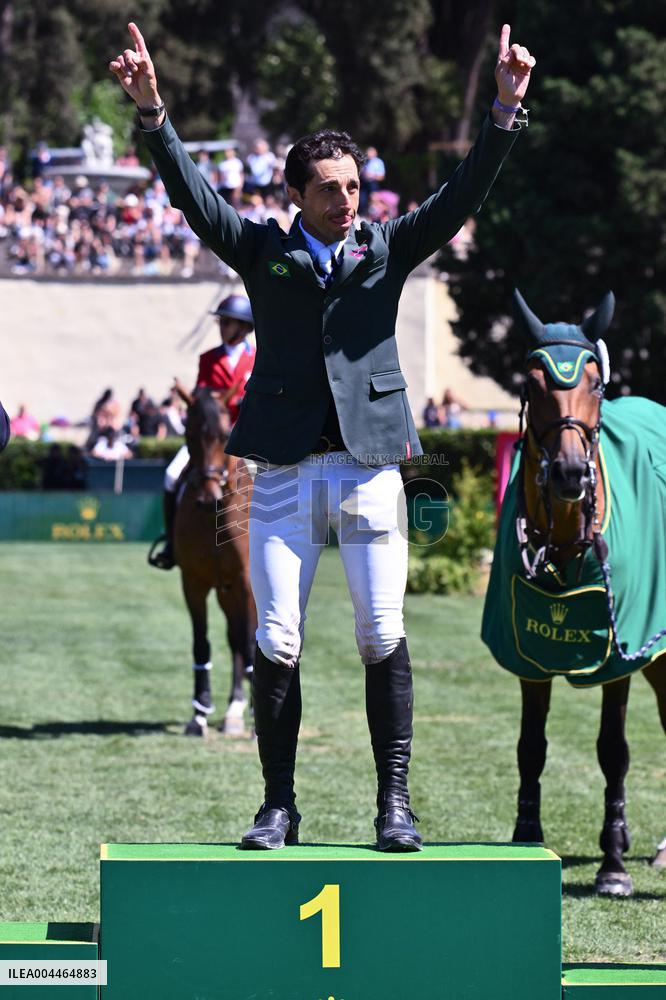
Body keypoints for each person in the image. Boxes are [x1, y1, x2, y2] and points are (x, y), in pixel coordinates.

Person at [110, 21, 535, 851]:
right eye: (332, 188)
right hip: (284, 475)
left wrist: (504, 112)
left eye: (355, 185)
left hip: (372, 466)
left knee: (381, 635)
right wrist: (154, 114)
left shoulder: (388, 245)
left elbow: (463, 195)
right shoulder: (261, 251)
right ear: (296, 196)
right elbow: (196, 198)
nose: (351, 198)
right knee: (276, 639)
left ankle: (395, 806)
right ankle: (278, 805)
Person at [149, 293, 256, 571]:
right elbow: (203, 394)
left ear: (244, 327)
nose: (222, 327)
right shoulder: (208, 358)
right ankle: (172, 542)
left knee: (269, 480)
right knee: (172, 474)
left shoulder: (258, 358)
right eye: (221, 322)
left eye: (228, 322)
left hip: (246, 435)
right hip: (211, 440)